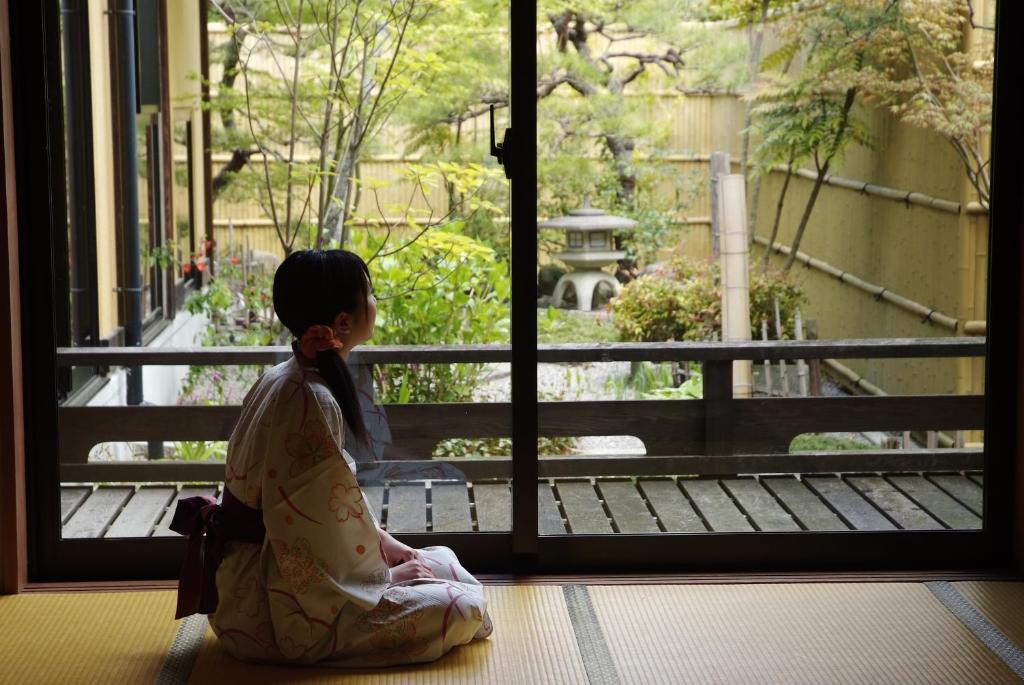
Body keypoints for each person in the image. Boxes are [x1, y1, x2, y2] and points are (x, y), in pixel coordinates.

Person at [171, 249, 492, 666]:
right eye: (370, 293)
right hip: (277, 613)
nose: (375, 302)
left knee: (441, 561)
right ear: (342, 322)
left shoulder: (286, 376)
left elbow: (329, 512)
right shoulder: (312, 398)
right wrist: (388, 578)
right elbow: (306, 543)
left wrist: (390, 548)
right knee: (465, 608)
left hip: (258, 584)